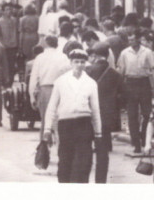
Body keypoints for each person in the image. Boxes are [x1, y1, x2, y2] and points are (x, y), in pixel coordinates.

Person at [43, 49, 102, 183]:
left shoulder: (91, 83)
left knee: (83, 162)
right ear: (70, 63)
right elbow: (51, 107)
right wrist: (47, 129)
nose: (79, 65)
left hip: (84, 124)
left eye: (82, 62)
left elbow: (95, 110)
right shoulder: (60, 81)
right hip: (66, 125)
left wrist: (98, 133)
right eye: (76, 62)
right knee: (65, 159)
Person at [86, 42, 123, 183]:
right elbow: (123, 97)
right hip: (106, 117)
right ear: (108, 56)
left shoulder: (88, 71)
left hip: (89, 114)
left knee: (86, 148)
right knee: (103, 152)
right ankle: (100, 181)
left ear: (95, 55)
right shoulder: (115, 74)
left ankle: (84, 179)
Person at [116, 29, 154, 153]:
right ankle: (136, 143)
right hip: (130, 84)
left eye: (133, 39)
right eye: (129, 40)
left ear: (138, 39)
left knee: (147, 113)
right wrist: (120, 88)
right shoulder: (124, 53)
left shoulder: (147, 52)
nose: (131, 42)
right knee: (132, 115)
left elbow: (152, 70)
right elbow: (121, 71)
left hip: (144, 83)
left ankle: (144, 137)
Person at [28, 35, 71, 136]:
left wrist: (32, 96)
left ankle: (44, 146)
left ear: (46, 43)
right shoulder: (64, 57)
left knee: (45, 120)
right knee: (60, 118)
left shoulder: (40, 58)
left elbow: (34, 78)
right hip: (61, 89)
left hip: (45, 89)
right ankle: (60, 145)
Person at [0, 4, 19, 82]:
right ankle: (4, 81)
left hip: (13, 46)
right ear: (3, 11)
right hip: (4, 46)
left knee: (12, 65)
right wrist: (0, 44)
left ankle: (10, 81)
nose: (9, 11)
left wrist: (18, 44)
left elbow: (17, 32)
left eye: (10, 9)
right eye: (7, 9)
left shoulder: (14, 20)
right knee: (4, 65)